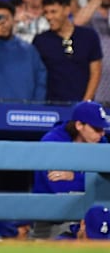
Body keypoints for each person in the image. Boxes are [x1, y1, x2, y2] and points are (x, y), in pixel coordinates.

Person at [32, 100, 108, 239]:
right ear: (79, 125)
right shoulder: (53, 142)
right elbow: (59, 188)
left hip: (90, 220)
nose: (102, 134)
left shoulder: (101, 143)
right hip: (52, 220)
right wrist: (91, 183)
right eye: (97, 129)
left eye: (103, 129)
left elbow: (106, 185)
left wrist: (75, 177)